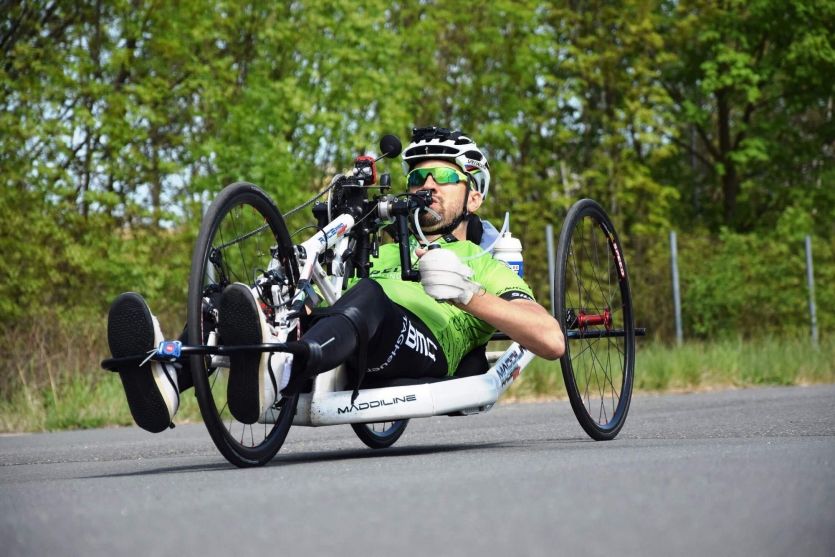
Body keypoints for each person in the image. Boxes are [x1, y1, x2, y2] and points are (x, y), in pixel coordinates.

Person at [107, 127, 564, 432]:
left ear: (475, 195)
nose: (427, 185)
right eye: (417, 176)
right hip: (355, 334)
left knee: (369, 295)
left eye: (442, 176)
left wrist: (469, 293)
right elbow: (332, 304)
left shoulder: (482, 259)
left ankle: (280, 369)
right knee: (240, 299)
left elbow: (550, 339)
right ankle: (170, 377)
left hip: (423, 348)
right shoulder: (382, 250)